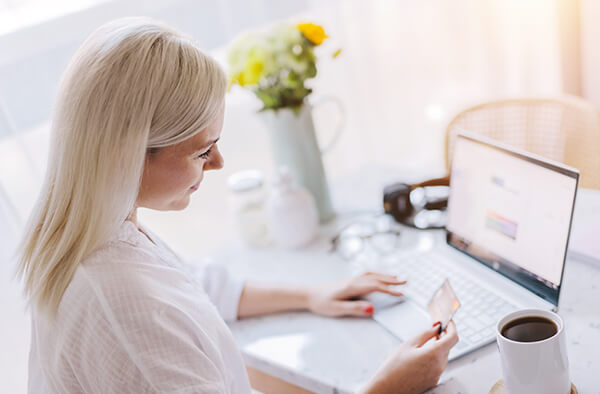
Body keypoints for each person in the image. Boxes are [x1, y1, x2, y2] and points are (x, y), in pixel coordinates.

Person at [17, 17, 458, 394]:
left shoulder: (100, 233)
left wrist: (311, 295)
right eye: (201, 151)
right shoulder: (124, 308)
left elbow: (192, 287)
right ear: (128, 153)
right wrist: (384, 388)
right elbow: (159, 308)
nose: (219, 163)